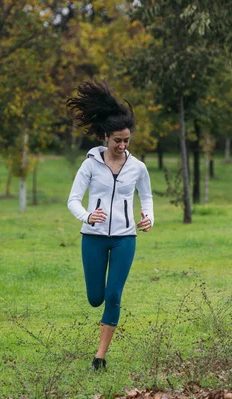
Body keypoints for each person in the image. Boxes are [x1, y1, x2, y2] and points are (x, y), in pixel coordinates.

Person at [66, 80, 154, 372]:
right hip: (92, 238)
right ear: (106, 137)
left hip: (124, 238)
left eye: (127, 140)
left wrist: (148, 217)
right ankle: (99, 308)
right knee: (96, 298)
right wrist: (87, 216)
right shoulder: (90, 165)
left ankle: (100, 357)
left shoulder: (138, 167)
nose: (122, 146)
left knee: (114, 294)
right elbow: (73, 200)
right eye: (117, 140)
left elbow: (147, 196)